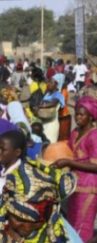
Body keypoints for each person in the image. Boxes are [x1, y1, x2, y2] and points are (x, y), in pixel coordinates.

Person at [0, 160, 82, 243]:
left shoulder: (61, 232)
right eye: (19, 219)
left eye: (36, 222)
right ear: (7, 206)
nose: (26, 228)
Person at [52, 96, 97, 242]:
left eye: (81, 114)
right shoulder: (75, 133)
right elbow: (69, 153)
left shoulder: (94, 136)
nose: (78, 117)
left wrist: (67, 162)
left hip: (89, 187)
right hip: (74, 185)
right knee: (71, 224)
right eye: (76, 114)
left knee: (82, 225)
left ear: (90, 116)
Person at [40, 73, 65, 143]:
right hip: (44, 122)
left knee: (49, 144)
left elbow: (53, 104)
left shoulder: (58, 94)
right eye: (49, 82)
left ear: (57, 84)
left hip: (51, 124)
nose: (49, 84)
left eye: (51, 82)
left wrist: (41, 106)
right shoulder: (47, 94)